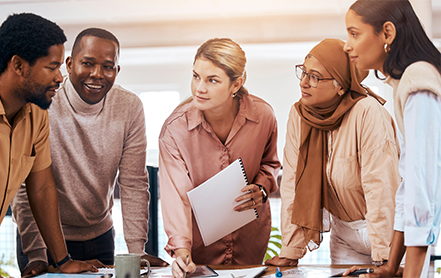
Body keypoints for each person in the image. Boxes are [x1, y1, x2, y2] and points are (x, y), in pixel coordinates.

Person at [11, 27, 168, 276]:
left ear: (117, 70)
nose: (97, 74)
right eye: (87, 63)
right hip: (43, 239)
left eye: (108, 66)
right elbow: (25, 186)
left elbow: (134, 183)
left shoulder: (129, 107)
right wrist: (36, 255)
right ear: (70, 64)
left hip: (100, 236)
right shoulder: (42, 104)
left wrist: (137, 251)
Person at [265, 39, 400, 267]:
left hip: (388, 233)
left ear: (341, 84)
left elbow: (381, 187)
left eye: (315, 77)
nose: (304, 83)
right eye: (303, 73)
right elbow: (292, 185)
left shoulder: (367, 112)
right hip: (345, 235)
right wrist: (290, 250)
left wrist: (385, 257)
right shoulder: (299, 116)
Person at [159, 38, 281, 278]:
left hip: (250, 241)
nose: (199, 89)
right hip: (200, 251)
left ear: (237, 84)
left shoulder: (264, 116)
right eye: (196, 76)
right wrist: (182, 250)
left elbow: (270, 163)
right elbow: (177, 196)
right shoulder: (175, 130)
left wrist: (262, 187)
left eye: (212, 80)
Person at [0, 13, 98, 278]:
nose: (60, 77)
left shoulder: (36, 114)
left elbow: (41, 187)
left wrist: (63, 261)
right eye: (51, 67)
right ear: (18, 65)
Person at [343, 0, 441, 277]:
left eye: (354, 33)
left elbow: (422, 189)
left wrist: (410, 274)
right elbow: (409, 185)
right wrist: (390, 266)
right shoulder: (406, 81)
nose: (346, 45)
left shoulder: (418, 79)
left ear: (387, 33)